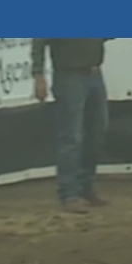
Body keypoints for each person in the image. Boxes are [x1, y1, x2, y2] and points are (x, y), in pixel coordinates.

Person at [31, 38, 113, 214]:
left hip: (93, 73)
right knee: (71, 136)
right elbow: (38, 41)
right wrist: (38, 75)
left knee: (97, 132)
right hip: (69, 75)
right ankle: (69, 194)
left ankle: (85, 187)